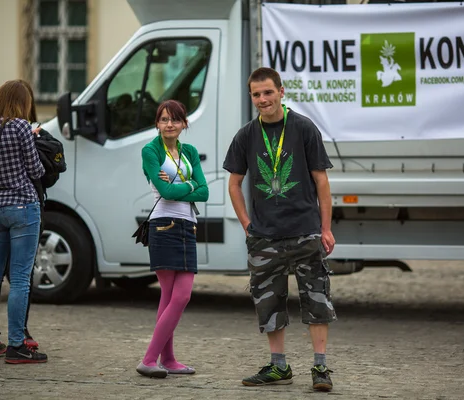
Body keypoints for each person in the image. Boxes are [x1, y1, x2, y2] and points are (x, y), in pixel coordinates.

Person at [223, 67, 336, 392]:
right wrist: (247, 224)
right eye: (257, 94)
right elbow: (234, 184)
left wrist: (325, 228)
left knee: (316, 299)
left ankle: (320, 367)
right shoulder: (246, 135)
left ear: (281, 92)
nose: (263, 99)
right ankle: (278, 366)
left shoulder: (302, 128)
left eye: (268, 92)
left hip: (304, 231)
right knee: (268, 301)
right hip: (265, 236)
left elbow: (322, 181)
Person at [0, 80, 48, 363]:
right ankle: (17, 345)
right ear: (21, 102)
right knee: (19, 280)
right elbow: (36, 169)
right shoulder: (19, 127)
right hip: (22, 207)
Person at [136, 100, 209, 378]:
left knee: (174, 297)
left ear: (184, 124)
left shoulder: (188, 151)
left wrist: (184, 185)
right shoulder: (150, 150)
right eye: (164, 119)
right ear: (157, 123)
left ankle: (168, 359)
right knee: (176, 296)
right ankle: (149, 359)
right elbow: (164, 193)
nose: (169, 124)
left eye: (175, 120)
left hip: (188, 225)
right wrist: (189, 185)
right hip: (163, 225)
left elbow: (204, 192)